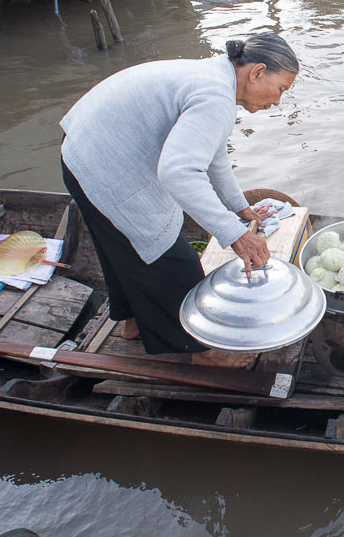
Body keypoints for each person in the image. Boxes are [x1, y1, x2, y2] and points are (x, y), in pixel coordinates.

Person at [60, 34, 299, 369]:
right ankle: (203, 350)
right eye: (281, 89)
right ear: (258, 72)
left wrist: (238, 207)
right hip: (102, 162)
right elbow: (178, 173)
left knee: (122, 248)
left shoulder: (217, 82)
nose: (277, 101)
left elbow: (213, 155)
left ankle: (133, 323)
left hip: (81, 149)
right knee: (173, 261)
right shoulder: (215, 96)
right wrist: (235, 233)